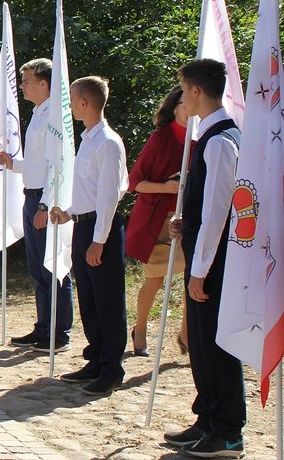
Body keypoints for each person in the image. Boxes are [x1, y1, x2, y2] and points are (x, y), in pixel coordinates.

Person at [164, 59, 245, 458]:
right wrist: (187, 222)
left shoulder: (219, 140)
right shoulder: (214, 136)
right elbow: (207, 209)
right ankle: (208, 418)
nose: (180, 95)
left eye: (182, 87)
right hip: (205, 252)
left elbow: (218, 214)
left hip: (214, 261)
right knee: (202, 343)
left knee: (215, 345)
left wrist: (199, 271)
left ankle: (228, 430)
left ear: (196, 90)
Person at [49, 76, 128, 396]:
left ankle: (112, 367)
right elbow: (87, 189)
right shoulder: (89, 139)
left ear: (85, 103)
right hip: (83, 225)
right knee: (90, 299)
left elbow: (109, 196)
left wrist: (99, 239)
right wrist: (68, 211)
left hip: (101, 229)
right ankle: (96, 357)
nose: (69, 105)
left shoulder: (108, 142)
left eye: (72, 100)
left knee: (108, 300)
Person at [0, 58, 74, 351]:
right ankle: (43, 327)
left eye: (27, 80)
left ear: (44, 84)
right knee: (37, 268)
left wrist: (45, 205)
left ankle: (60, 332)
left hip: (46, 197)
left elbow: (57, 165)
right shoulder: (38, 113)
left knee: (53, 265)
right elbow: (38, 162)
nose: (22, 85)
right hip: (33, 194)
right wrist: (14, 164)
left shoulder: (55, 117)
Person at [125, 85, 189, 357]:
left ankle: (187, 334)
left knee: (193, 281)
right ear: (175, 107)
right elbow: (134, 182)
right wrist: (167, 188)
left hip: (190, 222)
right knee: (155, 279)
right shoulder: (160, 138)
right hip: (157, 223)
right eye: (185, 102)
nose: (192, 106)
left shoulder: (205, 139)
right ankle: (139, 328)